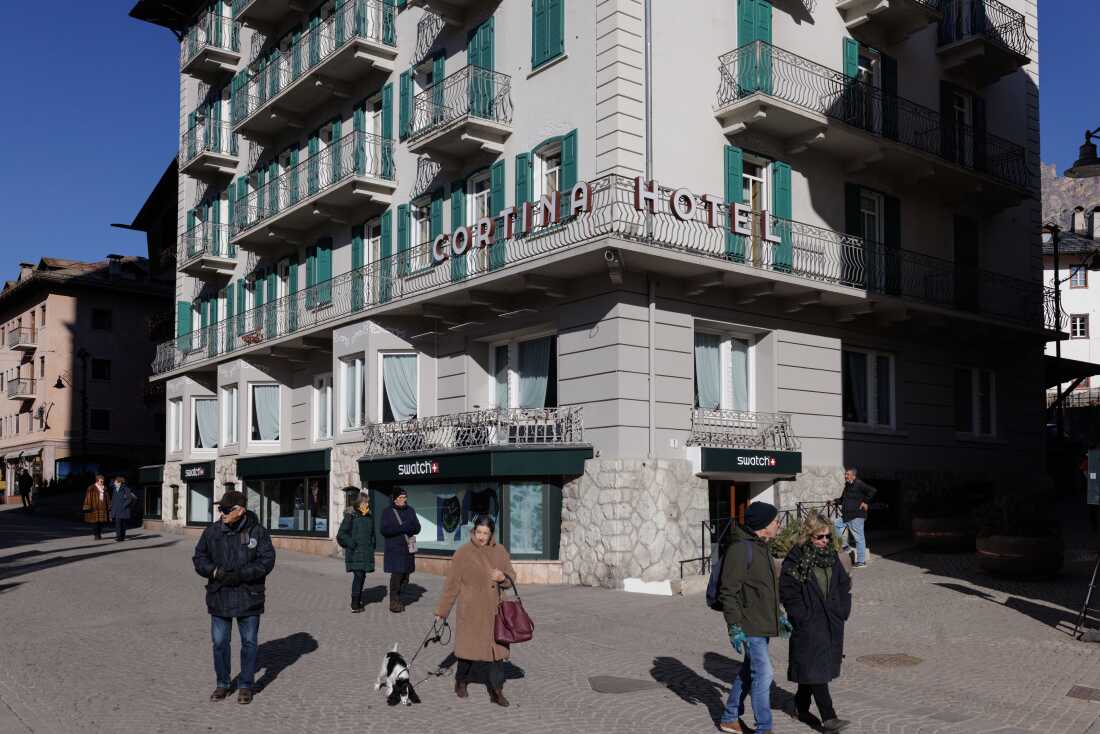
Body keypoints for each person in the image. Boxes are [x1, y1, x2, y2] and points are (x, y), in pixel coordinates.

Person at [192, 490, 276, 705]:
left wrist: (241, 575)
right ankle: (222, 683)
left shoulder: (258, 532)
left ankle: (245, 685)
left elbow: (266, 561)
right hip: (219, 594)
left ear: (241, 511)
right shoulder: (211, 532)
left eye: (226, 509)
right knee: (220, 642)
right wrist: (214, 572)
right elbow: (199, 557)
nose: (222, 513)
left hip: (249, 595)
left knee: (249, 643)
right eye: (220, 509)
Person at [434, 514, 517, 707]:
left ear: (491, 534)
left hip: (495, 612)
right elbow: (451, 585)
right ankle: (461, 681)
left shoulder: (500, 551)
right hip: (471, 611)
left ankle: (496, 690)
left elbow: (512, 577)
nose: (481, 536)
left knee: (497, 654)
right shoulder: (463, 553)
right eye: (478, 532)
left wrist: (502, 577)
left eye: (485, 533)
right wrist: (442, 611)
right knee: (467, 652)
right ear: (474, 531)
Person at [779, 512, 852, 732]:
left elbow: (843, 584)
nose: (825, 541)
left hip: (831, 619)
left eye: (828, 537)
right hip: (809, 622)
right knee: (816, 666)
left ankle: (800, 707)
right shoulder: (796, 558)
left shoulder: (831, 556)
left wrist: (843, 609)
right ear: (808, 536)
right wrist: (801, 615)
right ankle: (829, 718)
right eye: (819, 537)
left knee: (813, 666)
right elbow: (788, 591)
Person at [716, 501, 783, 734]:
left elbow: (764, 589)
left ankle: (729, 717)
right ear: (764, 525)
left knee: (749, 671)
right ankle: (764, 728)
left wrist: (780, 615)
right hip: (749, 625)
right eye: (775, 521)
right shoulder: (740, 550)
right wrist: (734, 626)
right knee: (764, 674)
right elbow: (728, 591)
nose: (779, 525)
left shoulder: (761, 547)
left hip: (761, 622)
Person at [381, 488, 421, 613]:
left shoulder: (411, 510)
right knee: (397, 575)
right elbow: (384, 530)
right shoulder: (387, 512)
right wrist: (401, 528)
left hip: (408, 548)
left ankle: (399, 596)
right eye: (400, 498)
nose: (403, 500)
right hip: (395, 549)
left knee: (406, 576)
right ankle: (394, 601)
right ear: (394, 499)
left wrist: (411, 528)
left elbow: (418, 527)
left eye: (404, 497)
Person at [336, 489, 376, 613]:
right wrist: (351, 544)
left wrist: (372, 544)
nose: (367, 505)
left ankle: (357, 600)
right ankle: (354, 603)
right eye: (365, 502)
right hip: (355, 552)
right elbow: (341, 534)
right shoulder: (351, 516)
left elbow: (372, 534)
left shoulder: (369, 516)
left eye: (368, 502)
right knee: (358, 576)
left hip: (366, 551)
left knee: (362, 576)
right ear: (359, 503)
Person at [833, 467, 877, 568]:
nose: (845, 476)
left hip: (857, 515)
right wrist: (835, 501)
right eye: (845, 474)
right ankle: (845, 546)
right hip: (847, 515)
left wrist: (865, 501)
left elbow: (872, 491)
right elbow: (842, 499)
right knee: (835, 524)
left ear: (853, 475)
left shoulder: (859, 484)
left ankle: (861, 561)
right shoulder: (847, 485)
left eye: (847, 474)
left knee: (859, 538)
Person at [82, 475, 111, 540]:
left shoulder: (105, 488)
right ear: (97, 480)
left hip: (102, 508)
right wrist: (87, 506)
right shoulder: (91, 488)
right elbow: (88, 497)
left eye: (103, 481)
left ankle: (99, 533)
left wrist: (109, 505)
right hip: (94, 508)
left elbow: (107, 498)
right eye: (101, 481)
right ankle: (96, 534)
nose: (102, 482)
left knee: (101, 522)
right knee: (95, 522)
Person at [109, 476, 136, 542]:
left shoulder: (125, 488)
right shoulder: (115, 489)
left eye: (115, 482)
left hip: (124, 509)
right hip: (116, 509)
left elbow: (129, 499)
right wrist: (111, 508)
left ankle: (122, 537)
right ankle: (119, 537)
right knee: (118, 524)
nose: (114, 483)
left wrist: (123, 506)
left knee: (123, 524)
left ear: (119, 482)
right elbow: (113, 500)